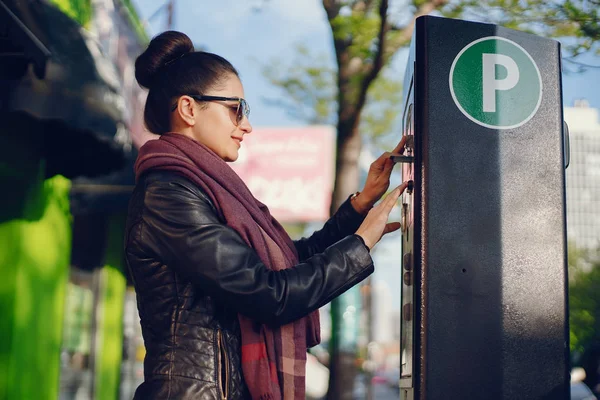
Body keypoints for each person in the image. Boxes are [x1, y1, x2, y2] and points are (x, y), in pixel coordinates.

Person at [125, 30, 408, 400]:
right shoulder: (169, 194)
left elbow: (287, 263)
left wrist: (360, 206)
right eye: (235, 108)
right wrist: (361, 243)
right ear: (189, 109)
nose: (246, 125)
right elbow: (271, 294)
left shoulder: (205, 187)